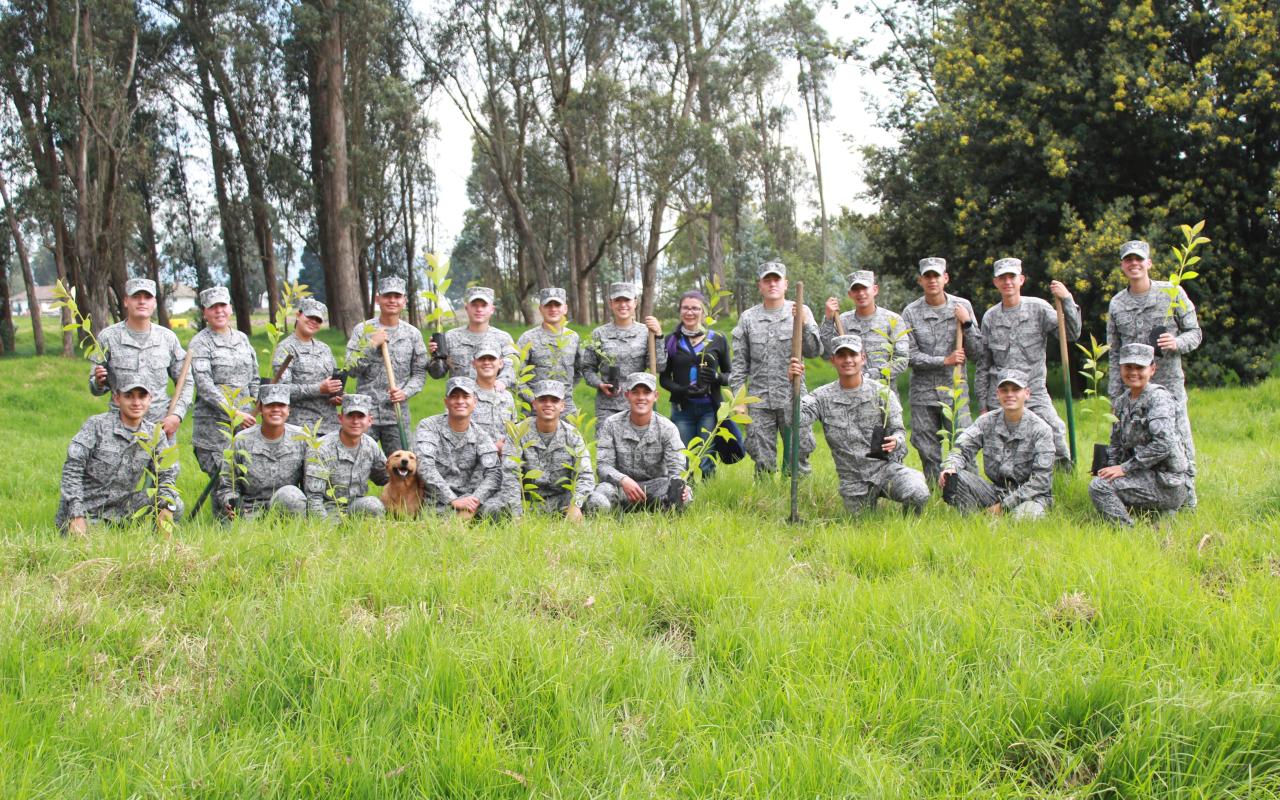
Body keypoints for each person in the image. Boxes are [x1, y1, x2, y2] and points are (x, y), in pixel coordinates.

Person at [1107, 239, 1202, 508]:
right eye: (1128, 260)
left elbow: (1195, 333)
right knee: (1131, 441)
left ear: (1148, 263)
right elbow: (1115, 353)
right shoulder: (1117, 304)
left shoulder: (1172, 293)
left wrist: (1177, 343)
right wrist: (1115, 394)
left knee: (1178, 442)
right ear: (1123, 266)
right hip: (1133, 389)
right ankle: (1141, 499)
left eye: (1139, 259)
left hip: (1167, 384)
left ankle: (1186, 500)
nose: (1134, 264)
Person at [792, 335, 929, 515]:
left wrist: (896, 440)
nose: (848, 360)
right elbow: (795, 420)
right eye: (842, 356)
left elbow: (899, 431)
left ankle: (910, 527)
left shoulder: (882, 392)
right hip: (853, 481)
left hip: (885, 469)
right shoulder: (821, 397)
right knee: (861, 523)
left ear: (862, 358)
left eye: (853, 355)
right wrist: (794, 383)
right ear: (833, 360)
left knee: (918, 491)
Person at [975, 257, 1080, 468]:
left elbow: (1071, 334)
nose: (1008, 282)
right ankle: (1007, 484)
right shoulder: (990, 317)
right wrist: (983, 403)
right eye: (1002, 278)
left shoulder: (1039, 309)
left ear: (1021, 279)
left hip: (1034, 389)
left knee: (1054, 430)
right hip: (1003, 393)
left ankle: (1064, 478)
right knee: (1002, 444)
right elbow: (983, 363)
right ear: (995, 282)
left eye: (1012, 277)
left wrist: (1067, 299)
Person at [730, 261, 822, 476]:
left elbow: (814, 350)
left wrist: (805, 322)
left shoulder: (800, 310)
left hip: (793, 396)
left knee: (798, 458)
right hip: (759, 401)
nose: (772, 284)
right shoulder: (748, 318)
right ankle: (766, 505)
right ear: (759, 285)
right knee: (762, 462)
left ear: (786, 284)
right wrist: (738, 400)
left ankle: (800, 504)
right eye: (767, 280)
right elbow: (739, 364)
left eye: (776, 279)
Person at [57, 376, 183, 533]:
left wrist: (165, 506)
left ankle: (156, 550)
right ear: (117, 399)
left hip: (121, 509)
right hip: (85, 510)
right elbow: (72, 470)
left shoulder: (154, 434)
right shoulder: (97, 426)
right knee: (89, 549)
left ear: (150, 399)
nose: (136, 403)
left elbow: (167, 475)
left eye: (142, 396)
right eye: (129, 396)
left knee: (174, 502)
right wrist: (76, 515)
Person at [901, 257, 982, 485]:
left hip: (955, 392)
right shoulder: (910, 312)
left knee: (964, 445)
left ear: (945, 278)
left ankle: (970, 492)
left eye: (936, 275)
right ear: (920, 280)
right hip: (923, 395)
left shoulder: (962, 307)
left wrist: (967, 324)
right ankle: (936, 496)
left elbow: (977, 352)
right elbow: (910, 356)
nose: (932, 280)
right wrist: (944, 360)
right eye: (927, 276)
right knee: (927, 451)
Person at [1089, 343, 1190, 525]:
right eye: (1128, 367)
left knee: (1099, 488)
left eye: (1140, 367)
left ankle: (1126, 531)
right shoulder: (1121, 402)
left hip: (1166, 482)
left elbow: (1163, 444)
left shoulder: (1158, 398)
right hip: (1141, 476)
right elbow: (1116, 445)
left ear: (1152, 369)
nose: (1133, 372)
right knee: (1102, 480)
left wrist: (1124, 469)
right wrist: (1109, 469)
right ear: (1120, 368)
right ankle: (1156, 515)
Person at [940, 369, 1056, 519]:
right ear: (997, 394)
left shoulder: (1041, 430)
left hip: (1031, 497)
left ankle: (994, 517)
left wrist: (1003, 507)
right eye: (1004, 390)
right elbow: (961, 449)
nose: (1009, 394)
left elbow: (1041, 482)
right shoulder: (986, 422)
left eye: (1016, 390)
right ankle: (974, 520)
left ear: (1027, 393)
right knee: (953, 477)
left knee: (1021, 518)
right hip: (996, 491)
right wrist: (950, 467)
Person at [89, 277, 192, 436]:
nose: (142, 302)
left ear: (154, 303)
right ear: (125, 301)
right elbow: (95, 388)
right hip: (120, 429)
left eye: (147, 297)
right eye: (136, 297)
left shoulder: (168, 338)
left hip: (160, 428)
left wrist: (176, 415)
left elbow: (185, 381)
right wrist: (98, 382)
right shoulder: (107, 338)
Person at [345, 276, 428, 456]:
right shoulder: (363, 330)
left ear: (404, 300)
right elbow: (350, 369)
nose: (392, 300)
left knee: (403, 469)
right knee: (358, 464)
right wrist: (371, 345)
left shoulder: (413, 334)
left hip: (396, 414)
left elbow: (420, 374)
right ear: (378, 299)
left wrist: (405, 392)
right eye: (387, 296)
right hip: (365, 415)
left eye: (397, 296)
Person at [586, 372, 691, 512]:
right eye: (635, 392)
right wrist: (623, 480)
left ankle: (665, 518)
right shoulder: (611, 424)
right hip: (621, 488)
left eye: (647, 392)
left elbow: (677, 467)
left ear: (655, 396)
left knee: (683, 494)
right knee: (597, 499)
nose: (641, 397)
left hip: (656, 489)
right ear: (627, 395)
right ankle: (609, 521)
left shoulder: (667, 428)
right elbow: (603, 466)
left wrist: (679, 487)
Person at [188, 286, 260, 486]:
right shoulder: (200, 343)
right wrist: (234, 413)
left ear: (230, 308)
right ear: (205, 313)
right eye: (213, 307)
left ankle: (238, 517)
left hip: (246, 424)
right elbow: (205, 387)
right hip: (214, 429)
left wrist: (255, 406)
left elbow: (254, 376)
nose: (219, 311)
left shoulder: (242, 339)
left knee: (244, 480)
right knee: (223, 483)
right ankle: (221, 517)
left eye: (222, 305)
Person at [660, 290, 732, 480]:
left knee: (705, 455)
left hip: (710, 408)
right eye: (685, 308)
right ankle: (685, 495)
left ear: (704, 312)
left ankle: (706, 496)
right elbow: (664, 379)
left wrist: (716, 377)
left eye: (695, 308)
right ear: (679, 311)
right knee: (683, 455)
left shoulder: (717, 338)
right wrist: (681, 389)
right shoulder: (671, 340)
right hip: (682, 409)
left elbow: (730, 375)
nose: (690, 312)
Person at [414, 377, 505, 519]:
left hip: (470, 500)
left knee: (497, 509)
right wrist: (453, 500)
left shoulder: (480, 435)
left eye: (466, 396)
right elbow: (425, 466)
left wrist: (475, 499)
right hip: (437, 502)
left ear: (474, 403)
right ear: (446, 402)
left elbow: (494, 472)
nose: (460, 401)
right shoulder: (429, 426)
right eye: (454, 397)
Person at [215, 383, 308, 518]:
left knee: (291, 495)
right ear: (261, 409)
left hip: (288, 507)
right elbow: (228, 485)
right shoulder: (242, 439)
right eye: (270, 405)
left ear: (289, 410)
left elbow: (310, 485)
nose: (276, 409)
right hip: (250, 509)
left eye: (281, 405)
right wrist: (229, 502)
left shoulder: (301, 437)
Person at [508, 380, 594, 520]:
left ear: (562, 406)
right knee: (494, 507)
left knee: (597, 502)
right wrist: (517, 516)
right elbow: (510, 476)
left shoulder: (573, 435)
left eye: (554, 400)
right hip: (528, 501)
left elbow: (585, 475)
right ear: (534, 404)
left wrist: (576, 504)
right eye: (542, 399)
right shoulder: (518, 433)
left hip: (563, 501)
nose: (548, 404)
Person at [581, 282, 666, 420]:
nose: (622, 304)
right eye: (617, 300)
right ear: (610, 303)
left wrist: (659, 335)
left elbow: (659, 366)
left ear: (635, 302)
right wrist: (599, 384)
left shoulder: (646, 332)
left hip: (639, 404)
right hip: (607, 407)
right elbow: (587, 369)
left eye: (627, 300)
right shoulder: (599, 334)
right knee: (606, 442)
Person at [304, 393, 388, 518]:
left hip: (356, 507)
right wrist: (325, 529)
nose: (355, 421)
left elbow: (385, 478)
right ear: (340, 418)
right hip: (328, 508)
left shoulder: (370, 445)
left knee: (373, 505)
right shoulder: (321, 448)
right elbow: (314, 498)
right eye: (350, 416)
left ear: (370, 420)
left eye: (361, 416)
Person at [821, 270, 910, 383]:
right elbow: (826, 354)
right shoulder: (842, 321)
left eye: (864, 288)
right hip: (849, 393)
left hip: (883, 393)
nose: (861, 293)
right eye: (856, 289)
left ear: (875, 290)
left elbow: (902, 360)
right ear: (850, 294)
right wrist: (828, 319)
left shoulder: (893, 320)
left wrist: (873, 374)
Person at [274, 298, 342, 434]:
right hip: (300, 427)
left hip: (329, 426)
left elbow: (331, 383)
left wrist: (336, 395)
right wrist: (318, 388)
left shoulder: (324, 349)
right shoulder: (286, 348)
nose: (313, 322)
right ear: (298, 315)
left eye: (318, 320)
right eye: (310, 316)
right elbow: (281, 390)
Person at [427, 286, 518, 386]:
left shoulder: (503, 338)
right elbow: (437, 374)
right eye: (474, 305)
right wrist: (436, 356)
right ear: (466, 308)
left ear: (492, 309)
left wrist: (502, 382)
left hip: (491, 398)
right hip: (460, 399)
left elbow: (511, 367)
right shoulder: (451, 337)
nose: (479, 309)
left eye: (484, 305)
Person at [471, 344, 520, 516]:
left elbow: (514, 431)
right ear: (473, 364)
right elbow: (458, 433)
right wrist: (492, 447)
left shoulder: (506, 397)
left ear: (500, 363)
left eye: (491, 359)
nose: (487, 363)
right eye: (482, 359)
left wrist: (506, 448)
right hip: (474, 470)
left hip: (504, 468)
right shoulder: (464, 396)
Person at [516, 288, 581, 416]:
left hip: (565, 408)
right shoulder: (528, 338)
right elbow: (516, 376)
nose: (553, 309)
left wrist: (565, 391)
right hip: (534, 410)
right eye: (548, 305)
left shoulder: (573, 337)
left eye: (557, 305)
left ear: (565, 308)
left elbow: (579, 370)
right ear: (541, 309)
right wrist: (534, 400)